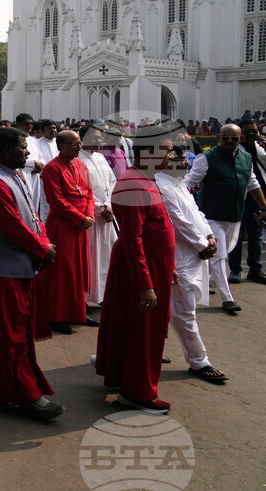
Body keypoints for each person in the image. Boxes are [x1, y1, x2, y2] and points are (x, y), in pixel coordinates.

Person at [0, 127, 63, 421]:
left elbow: (32, 216)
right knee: (12, 336)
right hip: (2, 270)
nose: (28, 152)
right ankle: (21, 394)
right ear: (6, 150)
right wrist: (43, 249)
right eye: (22, 147)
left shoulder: (13, 174)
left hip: (15, 266)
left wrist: (43, 242)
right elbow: (13, 226)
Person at [94, 125, 179, 414]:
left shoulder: (147, 179)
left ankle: (126, 378)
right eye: (168, 151)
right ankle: (137, 393)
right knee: (144, 332)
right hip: (141, 268)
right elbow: (133, 237)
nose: (172, 157)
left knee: (136, 329)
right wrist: (146, 283)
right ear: (152, 153)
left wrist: (170, 268)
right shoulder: (133, 183)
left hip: (155, 266)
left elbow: (157, 227)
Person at [153, 136, 228, 384]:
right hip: (179, 257)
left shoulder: (179, 183)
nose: (186, 162)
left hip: (195, 253)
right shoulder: (161, 185)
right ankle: (199, 361)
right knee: (184, 312)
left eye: (185, 158)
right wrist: (203, 244)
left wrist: (209, 235)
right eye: (180, 157)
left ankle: (145, 351)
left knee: (178, 309)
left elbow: (196, 213)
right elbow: (178, 222)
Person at [183, 123, 266, 314]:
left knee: (221, 252)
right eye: (226, 138)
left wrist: (264, 208)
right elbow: (189, 182)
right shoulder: (206, 158)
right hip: (211, 216)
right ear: (218, 138)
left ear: (240, 139)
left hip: (234, 216)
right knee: (220, 256)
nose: (230, 141)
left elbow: (252, 184)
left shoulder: (246, 158)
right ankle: (227, 298)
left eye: (234, 138)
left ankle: (198, 283)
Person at [39, 130, 96, 334]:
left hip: (80, 226)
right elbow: (57, 201)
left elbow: (89, 193)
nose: (79, 148)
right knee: (62, 273)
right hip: (63, 226)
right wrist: (81, 218)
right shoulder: (52, 169)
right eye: (74, 144)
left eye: (79, 144)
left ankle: (78, 311)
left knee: (79, 270)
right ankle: (56, 316)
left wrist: (89, 215)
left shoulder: (81, 165)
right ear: (61, 146)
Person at [226, 120, 266, 285]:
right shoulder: (233, 147)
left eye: (254, 131)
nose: (252, 134)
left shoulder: (262, 148)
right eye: (247, 131)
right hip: (239, 198)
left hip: (259, 199)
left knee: (257, 235)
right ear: (240, 134)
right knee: (236, 236)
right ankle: (235, 270)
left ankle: (255, 269)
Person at [78, 123, 118, 304]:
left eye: (100, 138)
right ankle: (87, 297)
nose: (99, 141)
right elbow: (80, 190)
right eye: (95, 138)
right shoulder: (77, 160)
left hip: (107, 216)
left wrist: (109, 205)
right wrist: (100, 208)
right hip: (91, 216)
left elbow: (112, 182)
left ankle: (104, 294)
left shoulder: (101, 157)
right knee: (92, 258)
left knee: (107, 256)